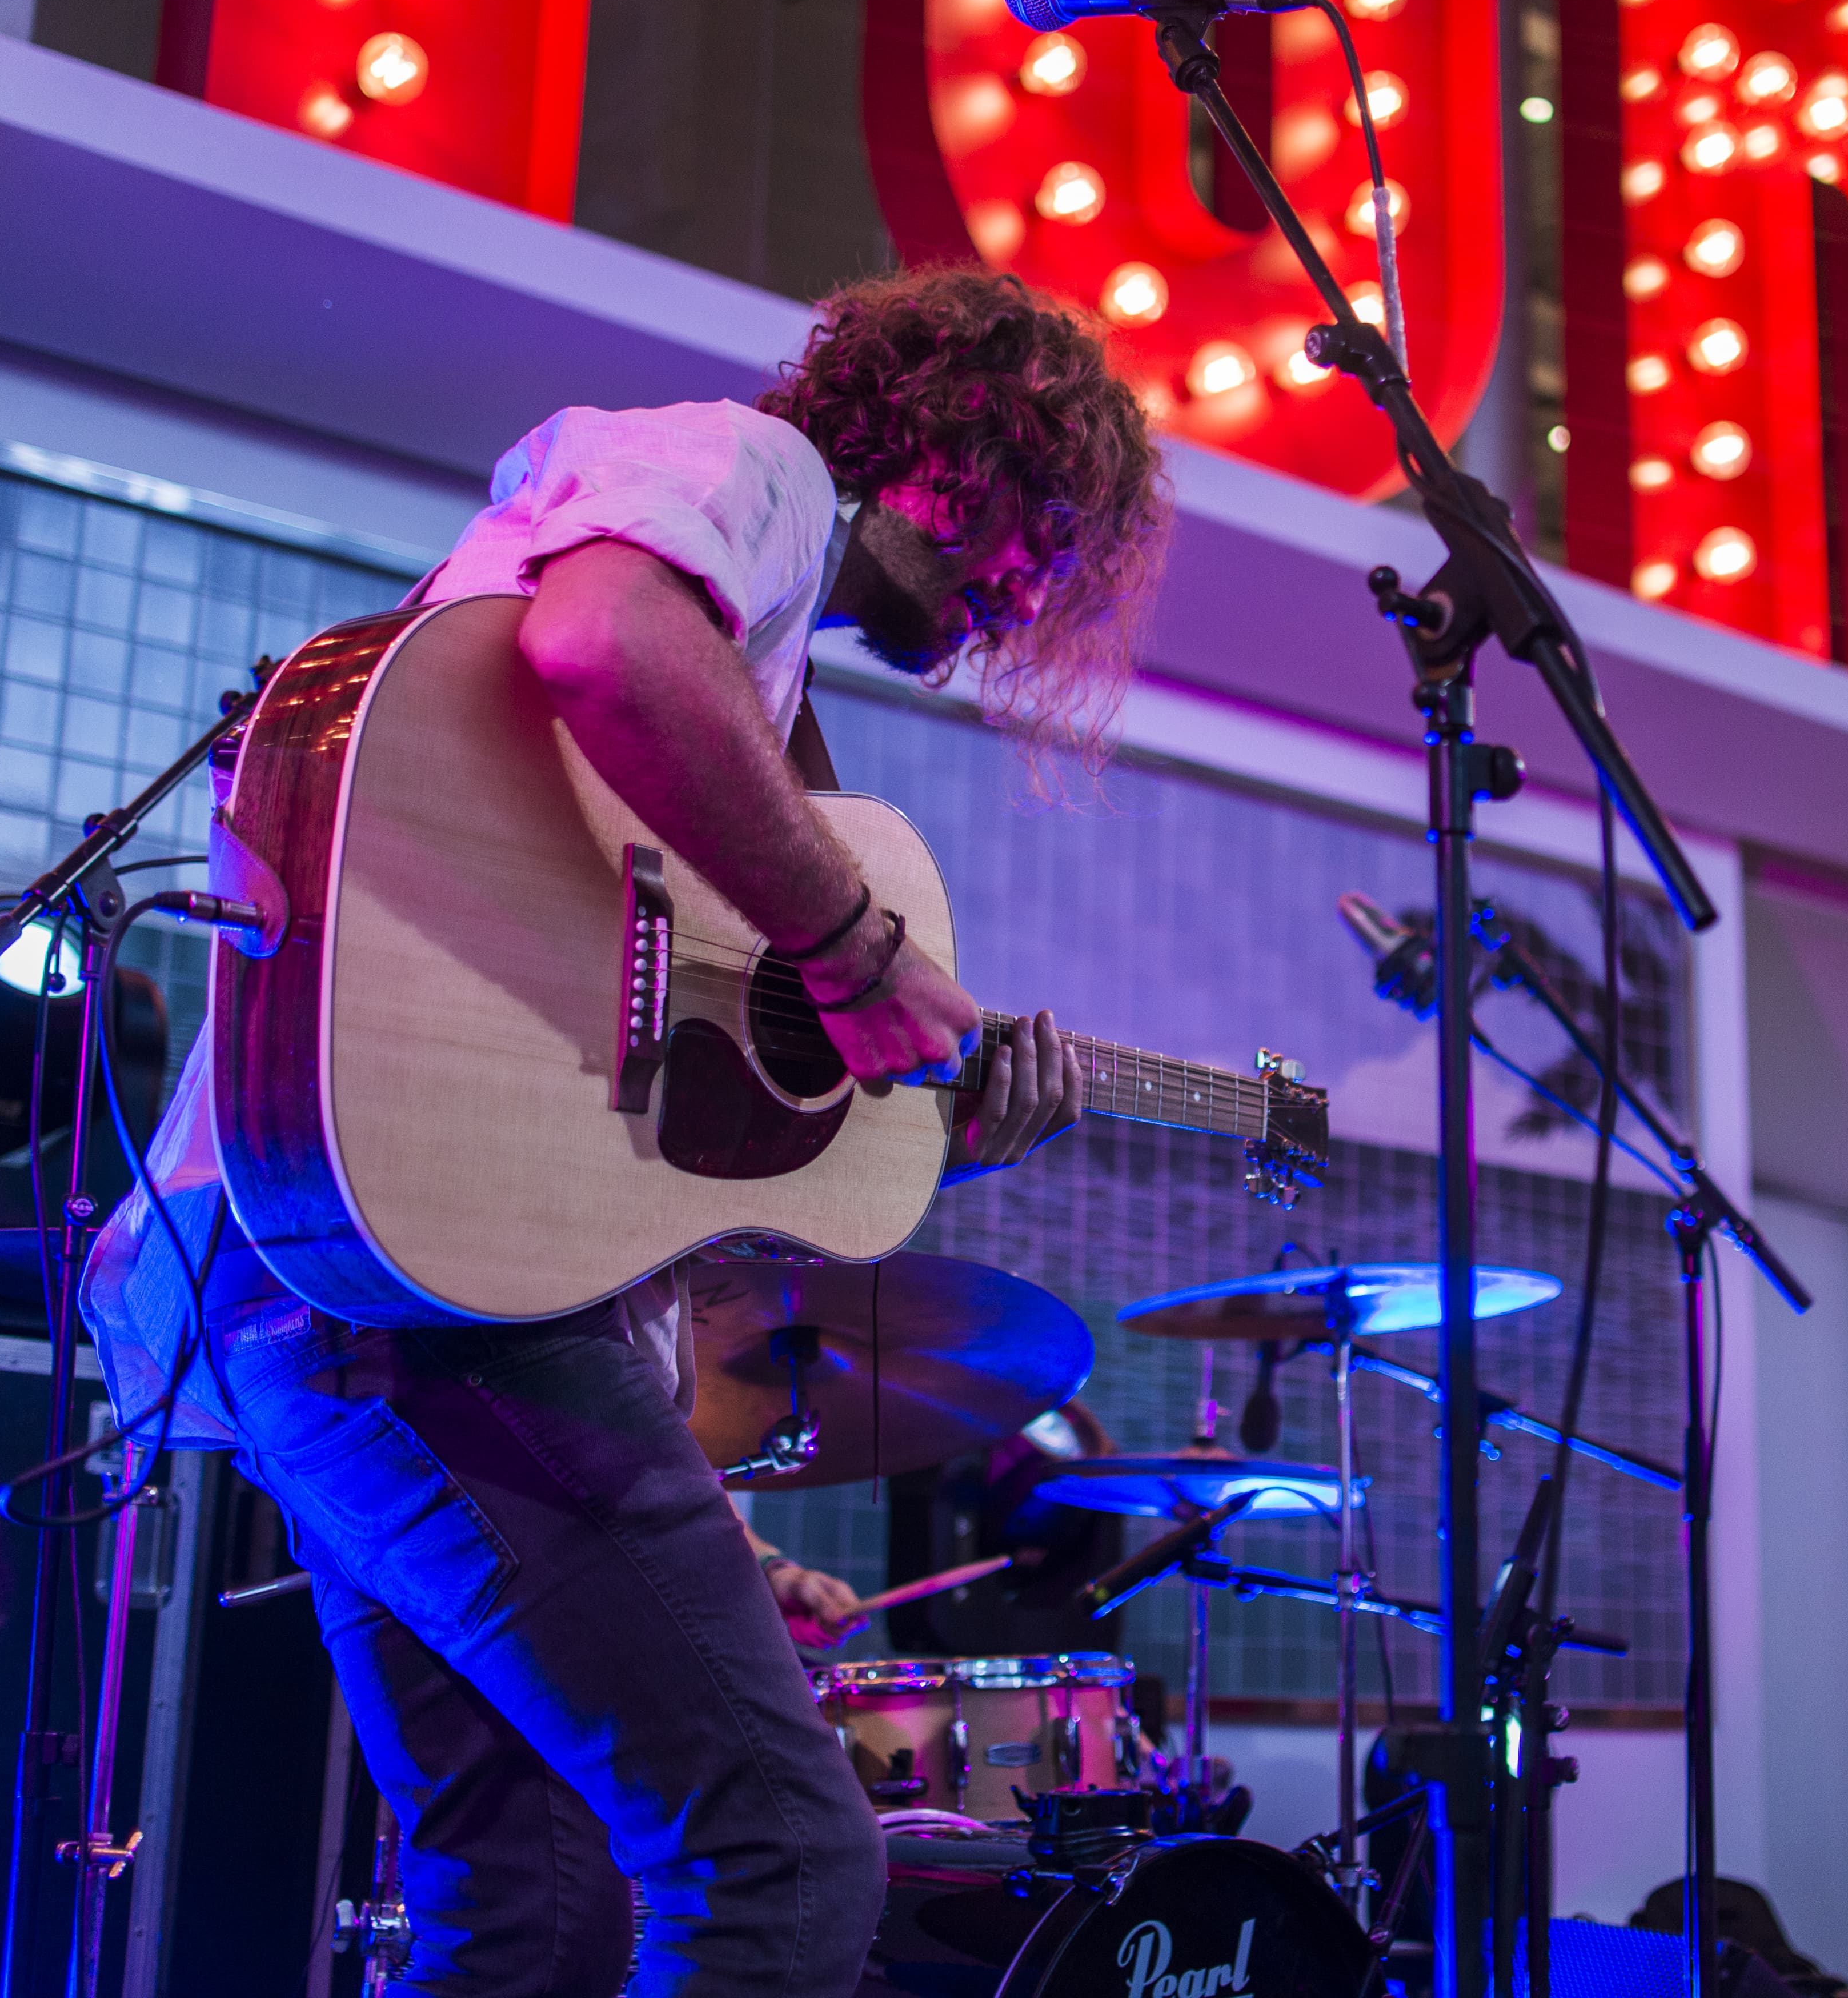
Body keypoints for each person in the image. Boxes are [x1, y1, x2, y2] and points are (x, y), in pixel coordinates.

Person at [83, 266, 1170, 1997]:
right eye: (1026, 556)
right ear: (958, 469)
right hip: (415, 1305)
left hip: (327, 1278)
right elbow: (595, 643)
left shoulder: (765, 666)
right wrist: (853, 940)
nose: (1004, 615)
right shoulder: (745, 472)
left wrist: (931, 1120)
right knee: (786, 1866)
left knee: (536, 1910)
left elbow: (686, 1119)